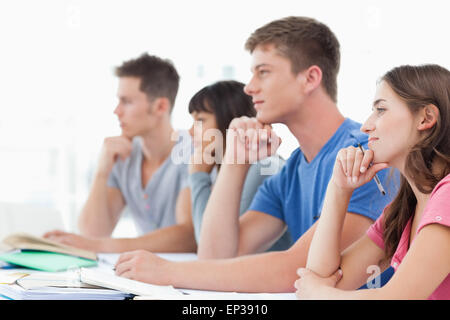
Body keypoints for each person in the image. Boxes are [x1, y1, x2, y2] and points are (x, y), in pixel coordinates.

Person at [112, 16, 395, 293]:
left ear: (310, 78)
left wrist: (166, 271)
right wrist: (236, 161)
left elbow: (295, 270)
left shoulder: (365, 156)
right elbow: (216, 256)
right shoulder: (291, 171)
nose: (249, 87)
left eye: (263, 72)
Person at [295, 64, 450, 300]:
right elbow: (323, 277)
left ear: (426, 118)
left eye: (381, 110)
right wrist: (338, 189)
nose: (366, 126)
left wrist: (318, 293)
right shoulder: (401, 214)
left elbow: (397, 297)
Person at [44, 53, 196, 253]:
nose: (117, 111)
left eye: (127, 101)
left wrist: (102, 245)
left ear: (160, 106)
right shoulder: (124, 157)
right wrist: (102, 171)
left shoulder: (193, 151)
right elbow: (93, 234)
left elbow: (187, 237)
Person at [187, 80, 292, 254]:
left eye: (200, 120)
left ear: (229, 121)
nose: (191, 131)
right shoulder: (222, 171)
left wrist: (198, 176)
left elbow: (210, 247)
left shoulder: (261, 167)